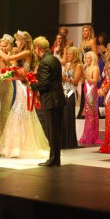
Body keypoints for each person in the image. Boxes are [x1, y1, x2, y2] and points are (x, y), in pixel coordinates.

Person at [0, 31, 49, 158]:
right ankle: (15, 145)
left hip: (25, 88)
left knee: (23, 112)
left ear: (23, 42)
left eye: (17, 40)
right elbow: (9, 67)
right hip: (19, 85)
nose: (16, 42)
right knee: (17, 112)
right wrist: (1, 57)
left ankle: (25, 145)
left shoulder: (27, 53)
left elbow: (9, 60)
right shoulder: (19, 54)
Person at [31, 36, 66, 167]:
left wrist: (31, 85)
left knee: (52, 131)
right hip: (58, 99)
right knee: (56, 131)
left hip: (50, 100)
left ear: (38, 48)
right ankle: (55, 159)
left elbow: (44, 83)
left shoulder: (44, 62)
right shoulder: (55, 59)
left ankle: (53, 159)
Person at [0, 34, 15, 153]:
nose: (2, 47)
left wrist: (1, 60)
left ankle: (5, 142)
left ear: (9, 46)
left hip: (7, 86)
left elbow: (11, 73)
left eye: (4, 46)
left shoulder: (11, 57)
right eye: (0, 45)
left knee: (5, 113)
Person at [61, 47, 84, 149]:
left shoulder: (78, 66)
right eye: (67, 54)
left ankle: (70, 142)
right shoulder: (67, 65)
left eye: (70, 54)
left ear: (75, 55)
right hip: (64, 92)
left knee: (69, 115)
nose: (68, 56)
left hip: (71, 93)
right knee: (63, 116)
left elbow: (75, 81)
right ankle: (64, 141)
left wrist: (64, 78)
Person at [79, 51, 102, 145]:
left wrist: (86, 76)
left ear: (93, 59)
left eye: (89, 58)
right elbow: (83, 81)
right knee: (88, 113)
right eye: (86, 58)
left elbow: (95, 81)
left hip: (92, 91)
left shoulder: (95, 68)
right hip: (86, 91)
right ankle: (87, 134)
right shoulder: (86, 67)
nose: (87, 60)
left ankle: (92, 136)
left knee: (92, 113)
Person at [77, 25, 97, 119]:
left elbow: (95, 55)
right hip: (83, 66)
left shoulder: (92, 41)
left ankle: (90, 111)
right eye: (83, 31)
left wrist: (92, 68)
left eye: (86, 31)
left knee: (90, 88)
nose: (84, 33)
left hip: (90, 67)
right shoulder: (83, 42)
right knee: (84, 87)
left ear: (90, 32)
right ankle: (83, 110)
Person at [96, 32, 107, 110]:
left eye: (102, 38)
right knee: (98, 81)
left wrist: (101, 53)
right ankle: (97, 101)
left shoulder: (106, 47)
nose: (100, 39)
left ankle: (103, 100)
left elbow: (106, 58)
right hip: (97, 64)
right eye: (99, 38)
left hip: (103, 65)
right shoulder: (95, 46)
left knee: (103, 82)